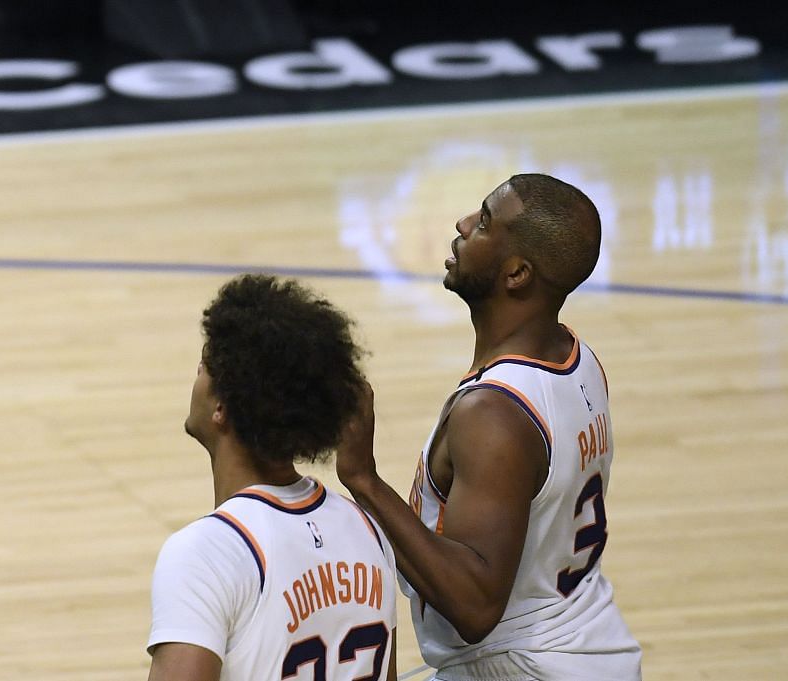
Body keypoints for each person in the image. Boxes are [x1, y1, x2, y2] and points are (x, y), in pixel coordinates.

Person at [335, 174, 642, 680]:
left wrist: (362, 478)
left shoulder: (494, 414)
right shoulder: (576, 358)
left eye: (483, 222)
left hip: (523, 668)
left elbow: (474, 607)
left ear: (517, 273)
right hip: (590, 646)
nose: (461, 224)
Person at [147, 274, 397, 681]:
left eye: (205, 365)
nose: (197, 372)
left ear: (221, 408)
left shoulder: (205, 555)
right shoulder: (366, 529)